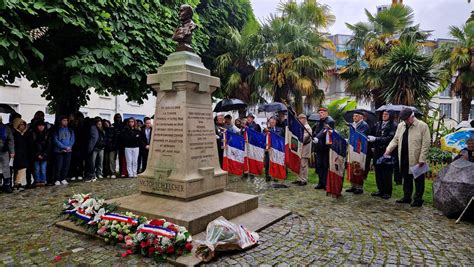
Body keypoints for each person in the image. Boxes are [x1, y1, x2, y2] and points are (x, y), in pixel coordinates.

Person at [385, 108, 431, 207]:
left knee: (418, 179)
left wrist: (422, 159)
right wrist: (388, 149)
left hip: (417, 158)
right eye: (403, 120)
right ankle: (407, 197)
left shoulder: (422, 126)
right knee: (406, 178)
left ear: (412, 117)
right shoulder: (401, 126)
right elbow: (395, 139)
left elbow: (426, 144)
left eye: (406, 119)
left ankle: (418, 199)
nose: (405, 121)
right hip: (404, 156)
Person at [367, 110, 397, 199]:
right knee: (378, 171)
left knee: (386, 172)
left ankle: (387, 192)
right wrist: (372, 144)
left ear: (390, 115)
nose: (384, 115)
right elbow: (371, 134)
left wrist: (376, 139)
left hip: (387, 151)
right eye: (383, 114)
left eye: (386, 114)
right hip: (377, 151)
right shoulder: (378, 124)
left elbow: (390, 138)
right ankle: (380, 190)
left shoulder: (394, 125)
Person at [346, 110, 370, 194]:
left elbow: (361, 136)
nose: (354, 117)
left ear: (361, 117)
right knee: (352, 166)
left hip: (360, 150)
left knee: (358, 167)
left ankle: (359, 187)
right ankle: (353, 185)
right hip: (352, 148)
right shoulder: (353, 124)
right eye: (353, 116)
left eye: (356, 116)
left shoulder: (364, 125)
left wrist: (354, 129)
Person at [313, 107, 335, 190]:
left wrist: (317, 137)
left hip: (326, 147)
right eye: (319, 113)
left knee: (325, 165)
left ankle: (326, 183)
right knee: (319, 165)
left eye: (322, 112)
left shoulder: (330, 121)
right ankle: (320, 182)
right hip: (319, 146)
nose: (320, 114)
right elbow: (316, 130)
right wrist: (313, 135)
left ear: (326, 113)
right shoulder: (319, 121)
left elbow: (324, 130)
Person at [52, 115, 75, 185]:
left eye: (66, 120)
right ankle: (57, 179)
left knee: (66, 166)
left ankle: (63, 178)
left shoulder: (70, 130)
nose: (66, 122)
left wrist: (69, 147)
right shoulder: (56, 130)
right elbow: (55, 140)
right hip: (59, 151)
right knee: (59, 166)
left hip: (68, 151)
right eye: (64, 120)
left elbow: (72, 139)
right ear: (60, 121)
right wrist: (63, 147)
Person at [29, 120, 49, 186]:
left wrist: (43, 154)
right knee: (36, 169)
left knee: (43, 169)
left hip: (44, 155)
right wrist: (37, 154)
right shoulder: (33, 134)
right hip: (36, 155)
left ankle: (43, 181)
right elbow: (32, 146)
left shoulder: (47, 134)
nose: (41, 127)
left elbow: (48, 146)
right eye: (39, 126)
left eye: (42, 126)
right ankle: (37, 181)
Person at [264, 117, 285, 181]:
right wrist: (266, 133)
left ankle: (275, 176)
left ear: (275, 122)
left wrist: (271, 133)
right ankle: (267, 176)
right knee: (267, 163)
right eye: (270, 122)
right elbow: (264, 138)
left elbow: (281, 138)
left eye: (273, 122)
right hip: (269, 149)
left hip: (276, 149)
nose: (271, 123)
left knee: (276, 163)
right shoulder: (266, 129)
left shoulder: (280, 129)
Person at [293, 114, 312, 186]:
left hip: (305, 149)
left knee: (303, 165)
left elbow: (304, 139)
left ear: (304, 119)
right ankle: (299, 178)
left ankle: (304, 179)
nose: (299, 121)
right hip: (300, 149)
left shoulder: (307, 128)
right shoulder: (301, 127)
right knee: (299, 164)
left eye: (300, 119)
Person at [86, 117, 105, 182]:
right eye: (98, 124)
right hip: (95, 148)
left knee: (100, 162)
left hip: (101, 148)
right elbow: (93, 139)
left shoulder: (102, 130)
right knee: (93, 162)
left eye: (100, 124)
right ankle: (93, 174)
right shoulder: (94, 129)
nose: (100, 125)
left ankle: (99, 173)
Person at [69, 112, 87, 181]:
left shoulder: (82, 125)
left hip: (80, 145)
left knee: (80, 160)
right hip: (73, 145)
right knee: (73, 160)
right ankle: (73, 174)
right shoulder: (71, 125)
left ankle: (79, 173)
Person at [12, 118, 29, 191]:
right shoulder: (15, 134)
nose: (23, 126)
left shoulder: (24, 134)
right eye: (21, 125)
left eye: (24, 125)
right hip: (17, 154)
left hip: (23, 154)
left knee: (22, 169)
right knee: (20, 168)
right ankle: (17, 183)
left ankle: (18, 183)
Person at [0, 117, 14, 193]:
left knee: (6, 168)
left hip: (4, 151)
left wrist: (12, 151)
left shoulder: (6, 128)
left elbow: (11, 140)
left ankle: (6, 185)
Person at [113, 113, 127, 178]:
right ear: (115, 118)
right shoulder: (113, 125)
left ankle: (122, 171)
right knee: (113, 158)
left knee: (122, 158)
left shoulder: (123, 125)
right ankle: (113, 172)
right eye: (117, 117)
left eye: (120, 117)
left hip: (122, 144)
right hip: (114, 144)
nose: (118, 118)